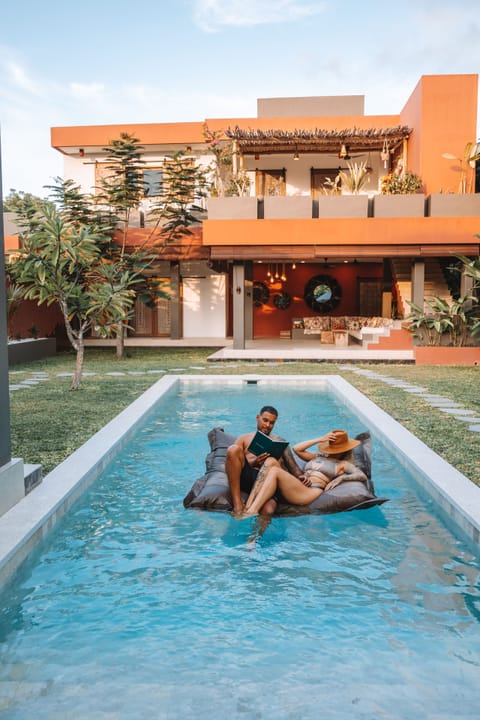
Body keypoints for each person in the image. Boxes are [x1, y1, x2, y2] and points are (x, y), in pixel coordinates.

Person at [243, 429, 368, 516]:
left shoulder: (342, 465)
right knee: (270, 461)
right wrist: (320, 439)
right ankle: (248, 507)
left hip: (310, 491)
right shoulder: (318, 456)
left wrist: (341, 479)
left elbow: (362, 475)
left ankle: (252, 511)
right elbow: (297, 448)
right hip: (299, 485)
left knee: (275, 470)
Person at [226, 405, 302, 515]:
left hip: (268, 482)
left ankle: (257, 533)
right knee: (233, 449)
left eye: (272, 423)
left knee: (268, 509)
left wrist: (302, 476)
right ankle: (238, 505)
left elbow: (294, 468)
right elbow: (231, 462)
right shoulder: (244, 438)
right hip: (248, 477)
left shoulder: (280, 442)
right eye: (265, 420)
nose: (267, 425)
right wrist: (254, 462)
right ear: (258, 418)